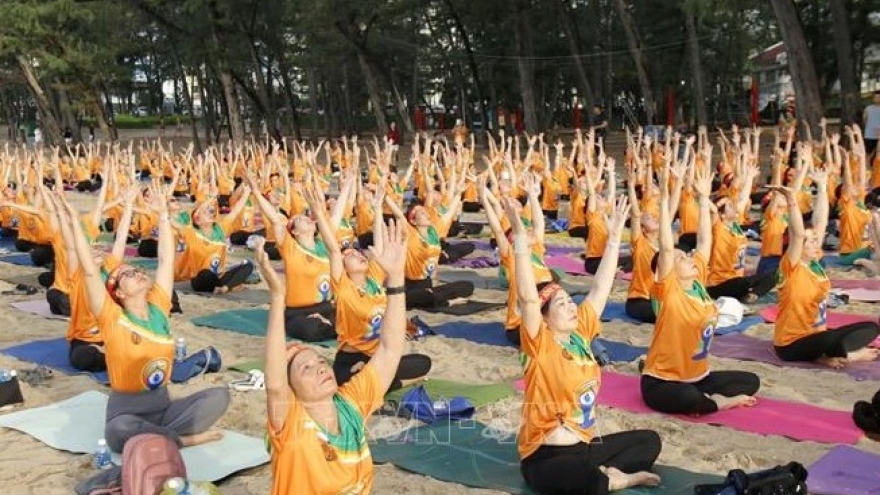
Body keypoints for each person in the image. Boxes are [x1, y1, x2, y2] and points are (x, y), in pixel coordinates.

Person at [506, 190, 663, 494]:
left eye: (569, 301)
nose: (571, 307)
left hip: (585, 444)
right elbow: (527, 298)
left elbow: (601, 286)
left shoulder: (580, 334)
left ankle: (604, 476)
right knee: (584, 481)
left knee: (649, 442)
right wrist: (520, 235)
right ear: (546, 318)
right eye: (561, 304)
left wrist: (616, 236)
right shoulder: (541, 344)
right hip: (544, 455)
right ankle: (616, 479)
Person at [62, 184, 229, 453]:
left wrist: (163, 215)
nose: (137, 273)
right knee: (119, 430)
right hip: (127, 412)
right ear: (116, 292)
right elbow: (92, 274)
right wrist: (72, 223)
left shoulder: (158, 308)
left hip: (163, 406)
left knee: (219, 396)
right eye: (126, 275)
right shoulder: (113, 317)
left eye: (137, 270)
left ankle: (158, 434)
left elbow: (165, 261)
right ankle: (177, 440)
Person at [261, 218, 409, 495]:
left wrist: (397, 280)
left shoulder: (351, 404)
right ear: (291, 389)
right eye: (305, 368)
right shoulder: (292, 424)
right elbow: (274, 383)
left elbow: (390, 349)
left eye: (320, 361)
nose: (319, 368)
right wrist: (278, 298)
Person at [641, 162, 760, 416]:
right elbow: (665, 244)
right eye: (681, 258)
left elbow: (705, 241)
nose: (689, 258)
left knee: (751, 382)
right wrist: (664, 197)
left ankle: (704, 396)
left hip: (697, 376)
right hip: (663, 380)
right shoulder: (667, 290)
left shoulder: (697, 282)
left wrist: (705, 199)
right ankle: (717, 403)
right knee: (688, 398)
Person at [305, 181, 431, 390]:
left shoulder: (373, 278)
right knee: (350, 381)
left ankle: (383, 379)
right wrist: (319, 213)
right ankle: (389, 381)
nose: (357, 254)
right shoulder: (343, 288)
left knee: (423, 362)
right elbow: (334, 250)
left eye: (357, 252)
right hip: (351, 357)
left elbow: (380, 244)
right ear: (343, 268)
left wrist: (378, 207)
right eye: (351, 256)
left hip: (378, 357)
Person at [772, 158, 880, 367]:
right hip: (791, 344)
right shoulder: (791, 266)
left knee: (870, 328)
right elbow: (797, 234)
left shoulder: (814, 265)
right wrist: (792, 200)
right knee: (834, 339)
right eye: (810, 241)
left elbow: (820, 221)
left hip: (816, 335)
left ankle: (826, 355)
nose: (815, 243)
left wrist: (822, 187)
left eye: (814, 240)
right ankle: (849, 355)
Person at [246, 172, 337, 342]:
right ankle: (330, 327)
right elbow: (274, 219)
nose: (308, 220)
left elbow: (336, 214)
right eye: (301, 219)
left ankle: (328, 324)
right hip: (297, 311)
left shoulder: (324, 246)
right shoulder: (290, 247)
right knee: (310, 331)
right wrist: (255, 191)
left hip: (326, 307)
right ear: (294, 230)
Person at [863, 90, 880, 158]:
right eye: (876, 97)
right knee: (868, 153)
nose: (877, 99)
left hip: (879, 136)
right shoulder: (868, 108)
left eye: (879, 97)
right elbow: (864, 120)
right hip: (869, 135)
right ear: (873, 98)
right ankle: (867, 167)